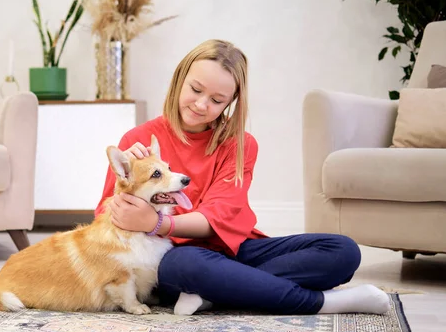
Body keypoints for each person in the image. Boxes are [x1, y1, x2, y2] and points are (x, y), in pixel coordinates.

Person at [95, 39, 390, 316]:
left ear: (231, 103)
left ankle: (214, 292)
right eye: (195, 89)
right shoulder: (138, 141)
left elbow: (216, 218)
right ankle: (321, 303)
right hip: (174, 258)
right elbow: (106, 220)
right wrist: (130, 184)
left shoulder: (241, 145)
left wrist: (158, 223)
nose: (201, 105)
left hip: (234, 249)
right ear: (179, 78)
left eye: (216, 100)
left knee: (342, 251)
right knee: (186, 261)